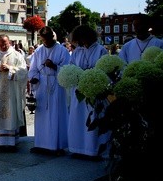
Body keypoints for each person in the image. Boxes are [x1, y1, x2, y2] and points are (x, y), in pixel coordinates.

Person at [67, 25, 109, 160]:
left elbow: (104, 70)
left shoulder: (100, 50)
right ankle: (78, 148)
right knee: (77, 119)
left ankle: (93, 150)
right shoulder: (77, 51)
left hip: (93, 90)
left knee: (92, 118)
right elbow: (71, 67)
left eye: (83, 38)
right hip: (78, 90)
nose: (81, 42)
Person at [28, 26, 70, 156]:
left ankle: (56, 145)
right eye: (43, 39)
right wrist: (33, 78)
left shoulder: (62, 50)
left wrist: (54, 66)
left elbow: (68, 70)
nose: (45, 42)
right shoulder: (39, 51)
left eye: (48, 39)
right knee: (41, 115)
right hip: (41, 86)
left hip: (56, 85)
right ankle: (41, 144)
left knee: (55, 114)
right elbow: (33, 68)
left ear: (53, 37)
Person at [0, 34, 27, 152]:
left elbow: (23, 72)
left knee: (11, 112)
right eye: (0, 43)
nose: (3, 45)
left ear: (10, 43)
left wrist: (11, 70)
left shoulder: (17, 55)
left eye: (5, 43)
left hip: (12, 92)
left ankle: (12, 143)